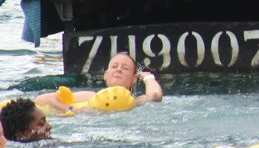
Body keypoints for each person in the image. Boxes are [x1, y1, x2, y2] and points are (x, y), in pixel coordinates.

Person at [35, 52, 163, 113]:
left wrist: (148, 77)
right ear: (105, 76)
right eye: (114, 67)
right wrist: (73, 110)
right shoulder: (90, 97)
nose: (118, 70)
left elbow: (155, 96)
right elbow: (42, 99)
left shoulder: (135, 102)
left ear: (134, 79)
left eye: (125, 68)